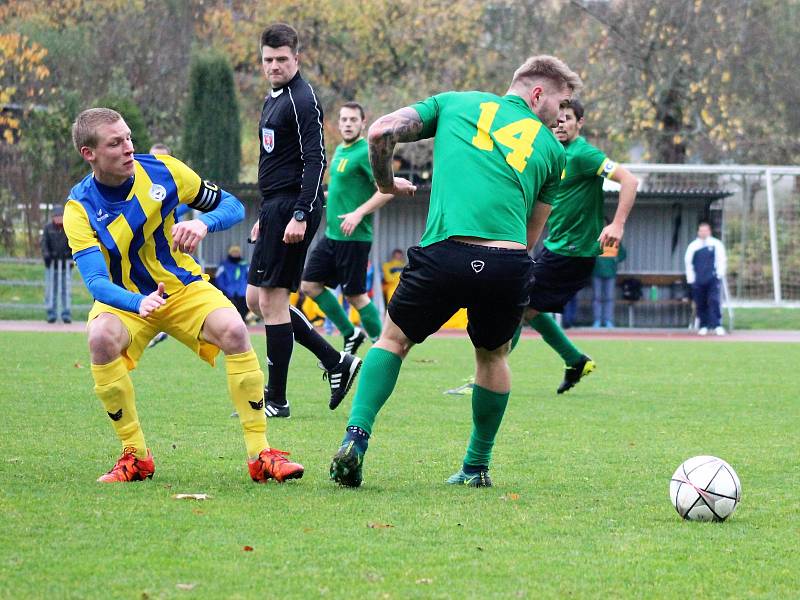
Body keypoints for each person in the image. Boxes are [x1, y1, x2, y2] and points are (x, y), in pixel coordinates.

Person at [329, 54, 582, 489]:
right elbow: (529, 238)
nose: (559, 118)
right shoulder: (552, 153)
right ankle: (476, 465)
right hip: (505, 261)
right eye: (559, 106)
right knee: (493, 357)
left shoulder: (454, 103)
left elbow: (380, 131)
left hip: (443, 254)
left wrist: (386, 185)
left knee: (392, 340)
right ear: (538, 94)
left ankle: (356, 437)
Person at [64, 107, 303, 484]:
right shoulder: (79, 209)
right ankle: (136, 456)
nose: (129, 147)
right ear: (88, 153)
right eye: (116, 143)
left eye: (129, 138)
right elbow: (95, 283)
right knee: (99, 337)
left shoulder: (163, 170)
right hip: (126, 299)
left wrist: (203, 223)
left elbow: (233, 206)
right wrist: (138, 302)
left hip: (183, 288)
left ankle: (261, 455)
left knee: (236, 330)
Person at [246, 23, 361, 419]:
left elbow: (316, 160)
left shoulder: (302, 98)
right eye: (268, 60)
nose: (274, 66)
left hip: (294, 208)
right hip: (275, 208)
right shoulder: (273, 98)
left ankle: (275, 399)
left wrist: (299, 213)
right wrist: (265, 215)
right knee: (253, 299)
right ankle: (336, 361)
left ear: (296, 59)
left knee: (272, 301)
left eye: (281, 59)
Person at [520, 98, 638, 393]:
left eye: (568, 118)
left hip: (573, 253)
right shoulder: (552, 154)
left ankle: (485, 379)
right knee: (525, 308)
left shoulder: (584, 154)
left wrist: (617, 224)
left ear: (579, 123)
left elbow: (630, 181)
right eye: (557, 118)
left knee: (517, 304)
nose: (561, 123)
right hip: (555, 247)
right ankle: (574, 360)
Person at [299, 102, 393, 355]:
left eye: (353, 119)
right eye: (344, 119)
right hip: (333, 235)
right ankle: (350, 333)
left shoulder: (366, 152)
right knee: (309, 285)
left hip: (355, 236)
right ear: (338, 123)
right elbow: (345, 190)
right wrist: (324, 197)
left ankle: (384, 347)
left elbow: (387, 191)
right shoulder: (340, 150)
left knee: (356, 296)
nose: (348, 124)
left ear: (363, 123)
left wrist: (358, 213)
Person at [145, 142, 188, 348]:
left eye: (164, 159)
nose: (159, 164)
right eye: (154, 158)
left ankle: (166, 326)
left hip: (170, 252)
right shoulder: (138, 184)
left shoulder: (178, 186)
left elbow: (195, 200)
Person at [685, 221, 727, 335]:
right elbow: (688, 263)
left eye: (705, 230)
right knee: (700, 302)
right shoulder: (693, 246)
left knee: (714, 300)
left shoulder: (716, 244)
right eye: (701, 230)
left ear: (709, 231)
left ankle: (716, 325)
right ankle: (703, 325)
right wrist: (691, 279)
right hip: (698, 279)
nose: (703, 233)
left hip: (712, 278)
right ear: (698, 232)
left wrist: (719, 274)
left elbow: (721, 260)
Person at [41, 205, 73, 323]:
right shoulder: (48, 228)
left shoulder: (68, 227)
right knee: (51, 289)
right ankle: (51, 313)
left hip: (65, 264)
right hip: (52, 264)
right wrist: (47, 255)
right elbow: (44, 243)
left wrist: (70, 255)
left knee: (66, 289)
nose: (58, 219)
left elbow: (73, 242)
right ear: (53, 217)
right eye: (56, 216)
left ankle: (66, 313)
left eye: (60, 216)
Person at [592, 218, 626, 328]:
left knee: (609, 298)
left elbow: (623, 254)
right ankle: (597, 320)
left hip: (611, 273)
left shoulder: (615, 239)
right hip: (596, 272)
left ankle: (608, 321)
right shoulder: (595, 239)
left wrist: (615, 260)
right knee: (597, 298)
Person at [214, 244, 249, 320]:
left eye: (237, 252)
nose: (235, 254)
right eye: (233, 252)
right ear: (230, 253)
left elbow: (249, 278)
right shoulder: (224, 265)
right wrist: (225, 290)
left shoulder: (245, 265)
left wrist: (246, 289)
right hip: (229, 293)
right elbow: (219, 280)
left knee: (243, 315)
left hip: (242, 293)